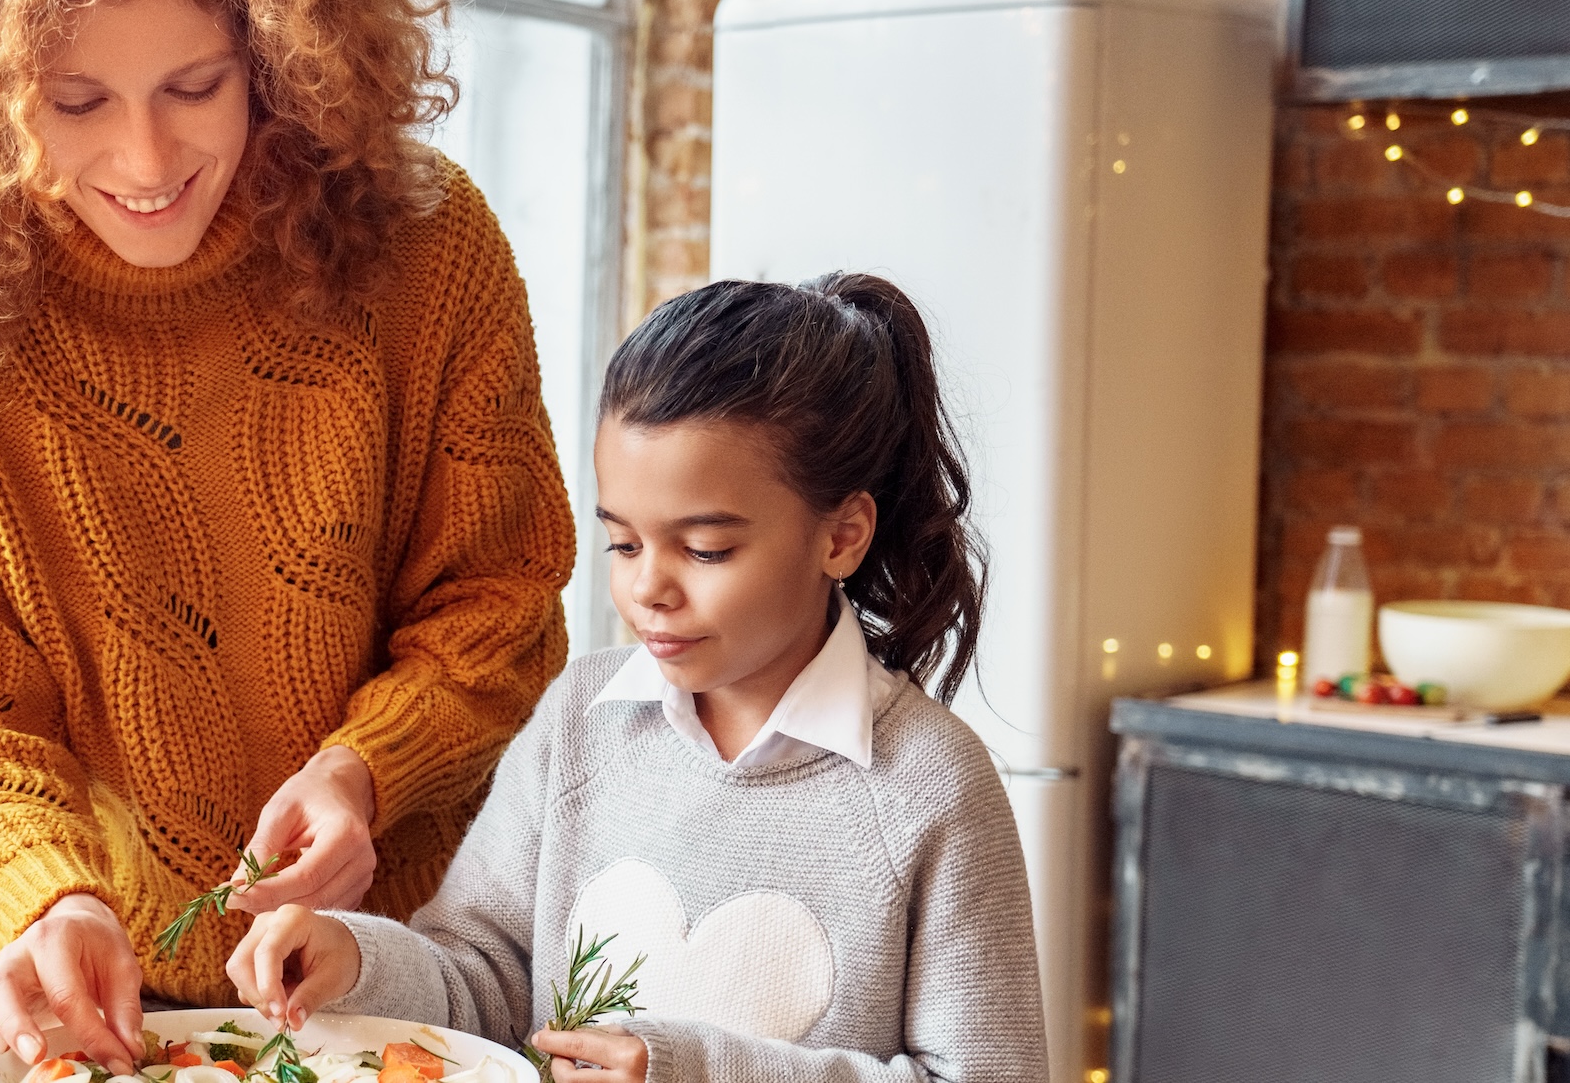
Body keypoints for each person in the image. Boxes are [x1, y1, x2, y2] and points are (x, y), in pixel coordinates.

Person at [0, 0, 576, 1069]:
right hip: (118, 1007)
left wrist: (366, 771)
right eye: (77, 104)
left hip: (428, 973)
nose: (147, 157)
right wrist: (46, 898)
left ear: (280, 60)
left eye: (195, 87)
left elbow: (500, 599)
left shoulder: (429, 249)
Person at [228, 275, 1047, 1082]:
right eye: (623, 544)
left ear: (842, 536)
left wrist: (692, 1071)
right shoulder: (580, 719)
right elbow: (482, 978)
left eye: (704, 550)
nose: (648, 587)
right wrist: (354, 957)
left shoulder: (932, 788)